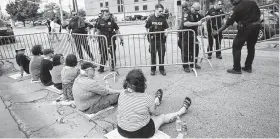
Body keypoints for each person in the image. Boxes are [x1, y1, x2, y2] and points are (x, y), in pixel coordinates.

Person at [117, 69, 192, 138]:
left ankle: (156, 100)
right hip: (138, 132)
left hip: (121, 130)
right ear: (143, 84)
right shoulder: (146, 98)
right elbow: (153, 112)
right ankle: (182, 111)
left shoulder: (122, 92)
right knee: (162, 117)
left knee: (145, 110)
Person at [212, 0, 261, 74]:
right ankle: (248, 67)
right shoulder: (252, 2)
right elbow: (259, 13)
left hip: (245, 28)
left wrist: (218, 31)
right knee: (251, 47)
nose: (231, 3)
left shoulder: (237, 9)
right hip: (257, 27)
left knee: (236, 47)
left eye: (232, 1)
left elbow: (227, 23)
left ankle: (237, 68)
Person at [178, 2, 205, 73]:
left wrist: (207, 18)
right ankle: (186, 66)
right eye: (196, 10)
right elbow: (185, 23)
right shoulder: (187, 13)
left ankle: (193, 63)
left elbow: (203, 18)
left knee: (195, 49)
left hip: (193, 35)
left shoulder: (197, 14)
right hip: (185, 36)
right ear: (192, 7)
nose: (197, 12)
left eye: (198, 10)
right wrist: (197, 23)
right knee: (185, 51)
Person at [95, 9, 123, 73]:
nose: (107, 16)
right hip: (103, 40)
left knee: (112, 54)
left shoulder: (112, 21)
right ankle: (101, 68)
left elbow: (117, 30)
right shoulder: (100, 21)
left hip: (111, 40)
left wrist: (121, 38)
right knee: (103, 54)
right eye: (105, 15)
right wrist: (96, 38)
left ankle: (113, 66)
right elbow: (98, 31)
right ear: (103, 15)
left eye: (108, 15)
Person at [145, 4, 169, 76]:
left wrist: (166, 34)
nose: (161, 12)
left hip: (161, 39)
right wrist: (148, 33)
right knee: (153, 55)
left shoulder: (163, 18)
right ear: (155, 10)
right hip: (153, 40)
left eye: (162, 11)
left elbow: (166, 28)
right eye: (160, 11)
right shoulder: (151, 18)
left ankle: (161, 69)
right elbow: (146, 27)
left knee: (161, 54)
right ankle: (153, 69)